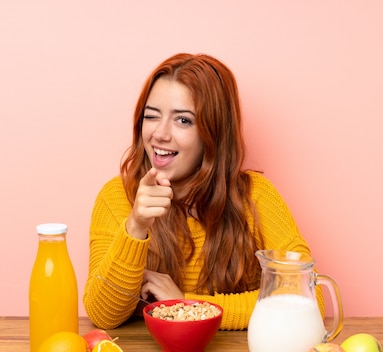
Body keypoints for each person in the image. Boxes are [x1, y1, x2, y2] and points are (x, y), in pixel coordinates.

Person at [83, 53, 324, 330]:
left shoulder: (255, 196)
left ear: (213, 132)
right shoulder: (116, 197)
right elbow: (103, 315)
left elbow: (310, 294)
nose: (160, 134)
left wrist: (188, 307)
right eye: (151, 116)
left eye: (183, 120)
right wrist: (136, 226)